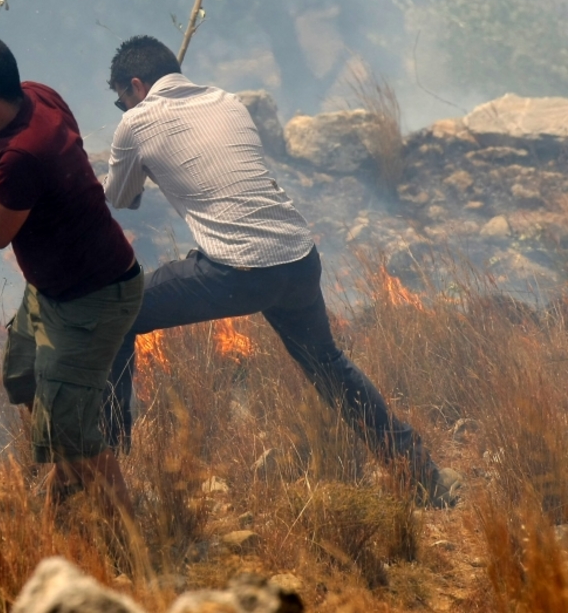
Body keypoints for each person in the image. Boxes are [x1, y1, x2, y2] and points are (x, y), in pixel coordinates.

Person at [102, 35, 462, 507]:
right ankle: (423, 479)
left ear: (136, 85)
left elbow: (121, 199)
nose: (121, 108)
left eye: (120, 100)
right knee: (329, 367)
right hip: (297, 256)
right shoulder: (227, 101)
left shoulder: (137, 122)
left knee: (117, 313)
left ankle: (111, 471)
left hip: (237, 269)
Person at [0, 32, 145, 523]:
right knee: (23, 375)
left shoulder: (18, 162)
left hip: (91, 300)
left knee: (72, 432)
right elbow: (29, 157)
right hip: (53, 290)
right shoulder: (38, 95)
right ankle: (70, 479)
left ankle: (129, 540)